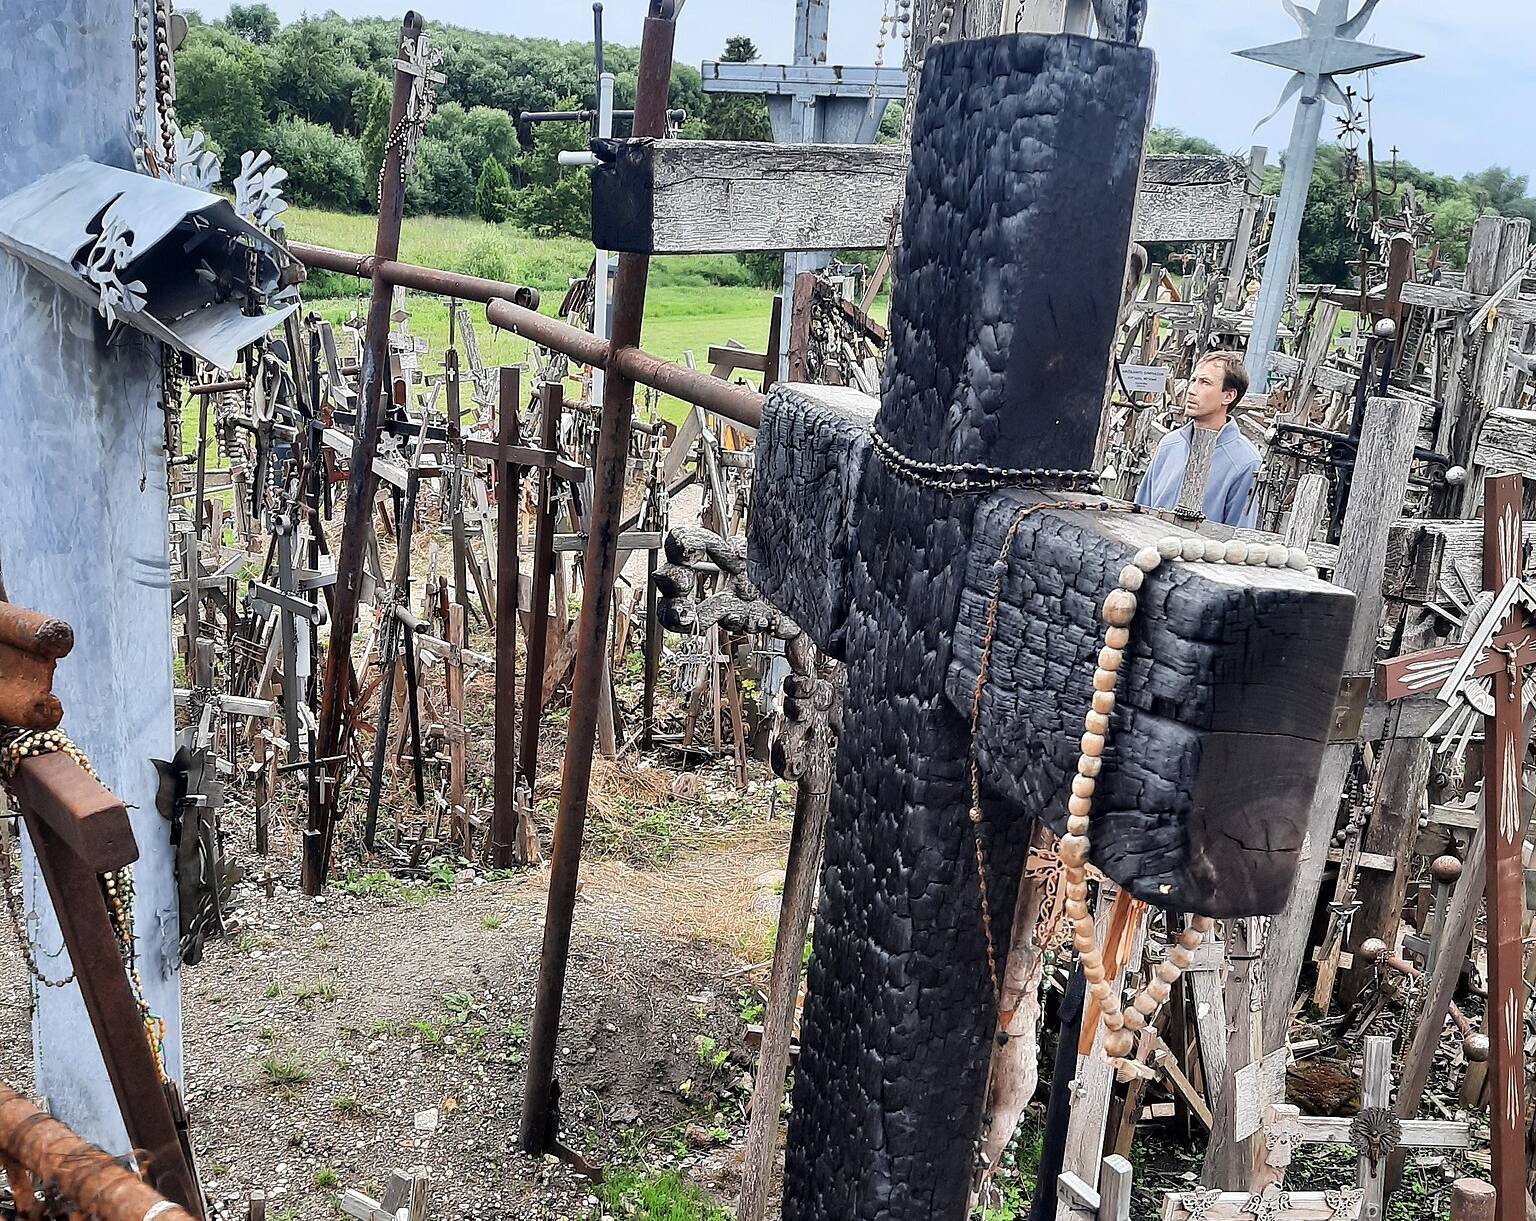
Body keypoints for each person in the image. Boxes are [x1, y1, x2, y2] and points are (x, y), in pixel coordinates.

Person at [1134, 351, 1261, 527]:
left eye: (1205, 383)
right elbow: (1141, 513)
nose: (1192, 390)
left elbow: (1239, 539)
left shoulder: (1246, 463)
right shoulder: (1169, 444)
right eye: (1193, 380)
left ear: (1228, 396)